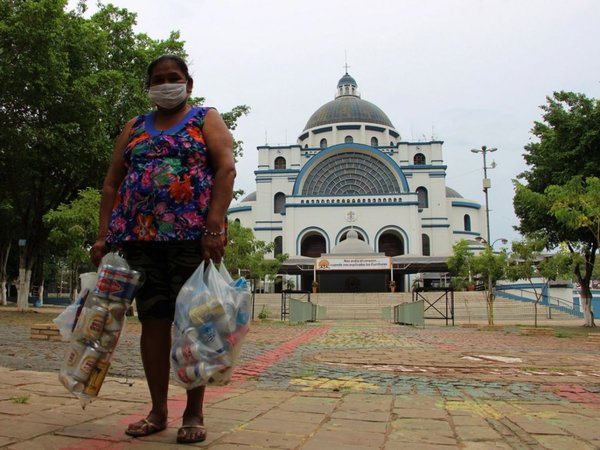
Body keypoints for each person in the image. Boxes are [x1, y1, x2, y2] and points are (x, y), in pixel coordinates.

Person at [90, 55, 236, 444]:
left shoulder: (206, 119)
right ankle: (157, 411)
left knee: (195, 326)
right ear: (149, 86)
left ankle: (193, 412)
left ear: (189, 84)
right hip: (139, 240)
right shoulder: (134, 127)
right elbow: (111, 183)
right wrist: (103, 235)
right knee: (152, 323)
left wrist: (215, 226)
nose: (166, 84)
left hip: (192, 240)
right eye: (158, 79)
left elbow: (226, 170)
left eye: (174, 78)